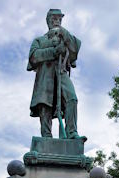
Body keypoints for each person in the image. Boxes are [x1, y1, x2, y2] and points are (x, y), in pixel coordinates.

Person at [27, 9, 86, 141]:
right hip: (45, 77)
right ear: (48, 21)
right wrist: (53, 51)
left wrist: (63, 34)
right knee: (45, 106)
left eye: (59, 19)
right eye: (54, 19)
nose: (57, 21)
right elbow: (33, 57)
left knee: (72, 98)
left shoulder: (65, 37)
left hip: (61, 72)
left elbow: (75, 49)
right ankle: (46, 137)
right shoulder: (39, 40)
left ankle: (71, 133)